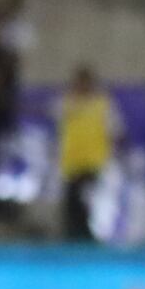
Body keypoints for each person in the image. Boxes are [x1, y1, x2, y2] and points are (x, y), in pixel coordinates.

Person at [56, 66, 120, 243]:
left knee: (90, 208)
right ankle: (73, 241)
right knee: (72, 209)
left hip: (94, 166)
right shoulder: (66, 104)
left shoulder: (103, 106)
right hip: (71, 166)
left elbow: (115, 133)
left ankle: (91, 240)